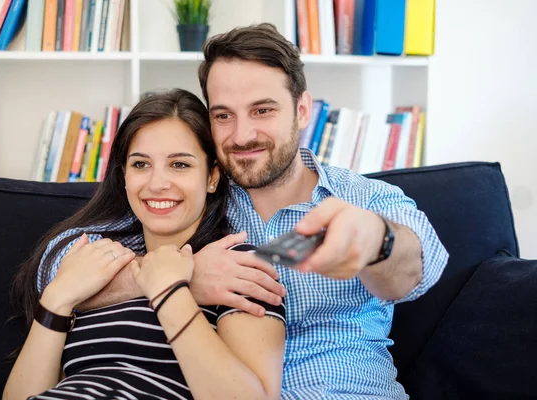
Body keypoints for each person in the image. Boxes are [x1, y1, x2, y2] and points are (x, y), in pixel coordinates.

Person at [30, 24, 449, 399]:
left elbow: (417, 269)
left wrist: (376, 240)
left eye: (262, 110)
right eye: (224, 116)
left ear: (302, 110)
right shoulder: (194, 194)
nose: (243, 135)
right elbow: (58, 265)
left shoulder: (364, 200)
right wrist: (180, 275)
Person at [3, 89, 286, 400]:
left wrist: (169, 291)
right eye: (140, 165)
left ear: (212, 177)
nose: (157, 183)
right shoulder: (97, 269)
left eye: (180, 165)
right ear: (124, 176)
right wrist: (57, 300)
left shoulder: (234, 267)